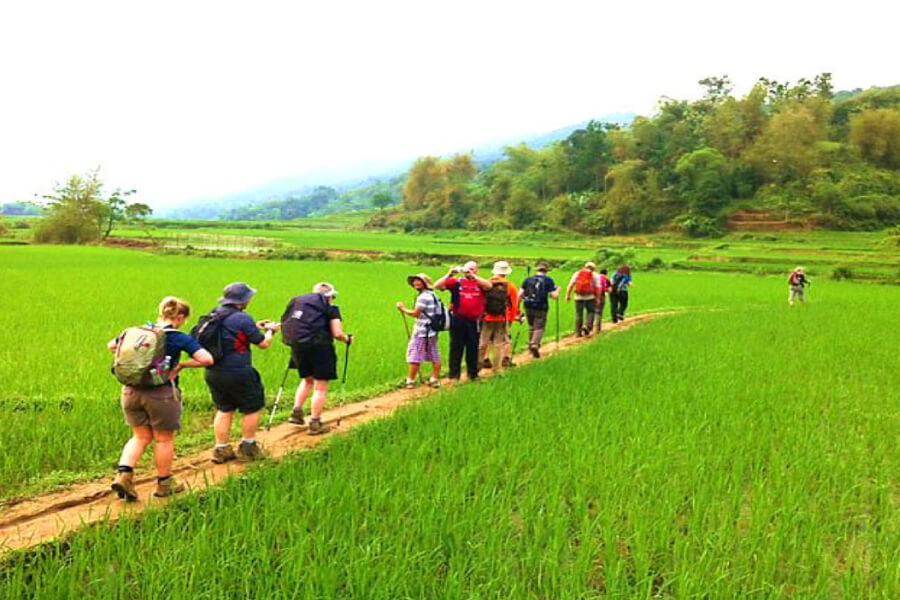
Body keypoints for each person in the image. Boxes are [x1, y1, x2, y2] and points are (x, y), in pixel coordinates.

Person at [109, 296, 214, 501]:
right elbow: (207, 359)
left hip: (130, 391)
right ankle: (164, 483)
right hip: (160, 394)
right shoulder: (178, 337)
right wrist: (182, 365)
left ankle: (124, 474)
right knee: (163, 438)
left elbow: (112, 345)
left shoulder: (137, 332)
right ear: (181, 317)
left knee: (139, 436)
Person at [204, 282, 280, 463]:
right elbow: (263, 344)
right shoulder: (242, 318)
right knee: (252, 407)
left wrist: (255, 325)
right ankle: (248, 447)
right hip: (238, 371)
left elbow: (229, 331)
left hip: (214, 371)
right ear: (243, 300)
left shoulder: (214, 314)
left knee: (224, 408)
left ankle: (221, 449)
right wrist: (270, 331)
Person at [283, 282, 353, 434]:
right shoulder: (331, 309)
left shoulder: (300, 305)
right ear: (329, 296)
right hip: (320, 347)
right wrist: (347, 339)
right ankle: (315, 423)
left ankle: (297, 413)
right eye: (332, 296)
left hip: (298, 346)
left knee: (307, 380)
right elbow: (337, 333)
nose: (333, 299)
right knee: (320, 386)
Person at [434, 261, 493, 382]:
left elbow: (489, 286)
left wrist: (473, 276)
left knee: (472, 348)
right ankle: (454, 375)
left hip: (474, 320)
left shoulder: (480, 283)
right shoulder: (457, 282)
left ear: (477, 270)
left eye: (472, 269)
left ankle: (473, 374)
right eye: (467, 269)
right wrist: (449, 274)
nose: (469, 271)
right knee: (456, 347)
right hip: (457, 319)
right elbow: (437, 286)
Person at [396, 273, 442, 389]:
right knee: (435, 354)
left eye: (419, 281)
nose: (416, 283)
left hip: (423, 331)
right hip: (432, 330)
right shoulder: (432, 295)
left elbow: (416, 314)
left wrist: (402, 309)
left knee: (415, 355)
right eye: (415, 281)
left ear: (425, 283)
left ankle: (410, 380)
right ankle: (435, 379)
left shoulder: (423, 297)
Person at [479, 261, 519, 370]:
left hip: (486, 317)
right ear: (506, 272)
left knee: (483, 342)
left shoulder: (486, 283)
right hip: (502, 318)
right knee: (498, 343)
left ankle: (478, 366)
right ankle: (497, 368)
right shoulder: (510, 286)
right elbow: (514, 305)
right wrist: (511, 319)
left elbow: (480, 300)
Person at [518, 262, 560, 358]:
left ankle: (530, 347)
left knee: (531, 326)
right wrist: (558, 290)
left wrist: (517, 308)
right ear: (546, 271)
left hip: (528, 305)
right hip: (541, 307)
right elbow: (554, 296)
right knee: (539, 327)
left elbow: (519, 294)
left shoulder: (528, 280)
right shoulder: (548, 280)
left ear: (537, 270)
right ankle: (535, 344)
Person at [566, 262, 601, 336]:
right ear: (593, 268)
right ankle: (587, 327)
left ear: (585, 266)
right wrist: (598, 298)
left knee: (579, 314)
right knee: (591, 312)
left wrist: (568, 295)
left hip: (578, 297)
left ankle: (578, 333)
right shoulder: (595, 275)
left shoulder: (577, 273)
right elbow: (598, 288)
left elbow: (571, 285)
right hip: (590, 297)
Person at [594, 268, 613, 333]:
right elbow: (610, 290)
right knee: (599, 312)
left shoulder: (595, 277)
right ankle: (597, 328)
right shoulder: (607, 279)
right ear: (606, 273)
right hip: (601, 296)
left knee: (590, 312)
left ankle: (587, 326)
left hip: (592, 296)